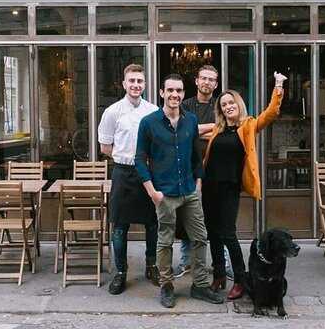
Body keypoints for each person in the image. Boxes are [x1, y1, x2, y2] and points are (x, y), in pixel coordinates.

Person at [135, 73, 224, 308]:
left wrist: (198, 183)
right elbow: (139, 159)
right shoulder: (149, 122)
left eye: (179, 91)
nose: (175, 95)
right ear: (162, 93)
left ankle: (200, 285)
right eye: (170, 90)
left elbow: (196, 156)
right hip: (164, 193)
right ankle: (166, 286)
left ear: (183, 94)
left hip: (190, 191)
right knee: (164, 242)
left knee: (200, 238)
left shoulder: (191, 120)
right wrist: (152, 192)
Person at [202, 72, 286, 300]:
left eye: (231, 103)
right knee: (213, 235)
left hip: (230, 188)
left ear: (238, 104)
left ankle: (239, 279)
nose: (228, 106)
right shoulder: (217, 130)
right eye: (223, 104)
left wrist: (278, 86)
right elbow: (193, 134)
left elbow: (270, 114)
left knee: (228, 233)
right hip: (209, 188)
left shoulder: (248, 126)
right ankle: (219, 275)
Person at [98, 63, 159, 295]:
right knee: (119, 226)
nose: (135, 85)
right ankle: (121, 273)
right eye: (131, 81)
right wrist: (127, 155)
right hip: (123, 172)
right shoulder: (112, 111)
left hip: (147, 173)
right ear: (124, 84)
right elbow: (105, 146)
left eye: (139, 81)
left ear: (144, 84)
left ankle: (151, 266)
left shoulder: (154, 111)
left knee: (152, 223)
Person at [176, 65, 233, 280]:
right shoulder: (185, 104)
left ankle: (223, 263)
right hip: (188, 170)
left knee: (218, 218)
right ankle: (186, 263)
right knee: (185, 217)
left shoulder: (221, 104)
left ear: (216, 84)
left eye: (211, 79)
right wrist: (208, 129)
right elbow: (182, 130)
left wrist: (197, 130)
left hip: (215, 169)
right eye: (203, 78)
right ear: (196, 81)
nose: (207, 82)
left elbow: (224, 130)